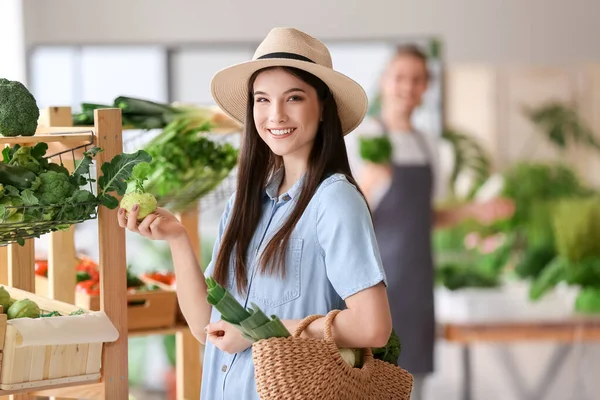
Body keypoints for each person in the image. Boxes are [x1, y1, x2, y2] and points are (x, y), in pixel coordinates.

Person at [118, 27, 393, 400]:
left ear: (323, 106)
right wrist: (177, 239)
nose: (275, 114)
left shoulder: (334, 201)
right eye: (262, 100)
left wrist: (258, 331)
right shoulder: (243, 204)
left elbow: (372, 326)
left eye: (293, 98)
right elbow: (206, 329)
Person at [347, 45, 515, 400]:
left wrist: (475, 212)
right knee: (371, 375)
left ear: (427, 87)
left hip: (419, 282)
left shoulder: (429, 146)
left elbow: (426, 215)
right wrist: (371, 181)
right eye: (400, 78)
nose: (408, 87)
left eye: (417, 79)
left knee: (414, 377)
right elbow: (345, 218)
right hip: (374, 281)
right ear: (385, 82)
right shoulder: (364, 140)